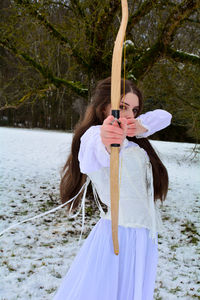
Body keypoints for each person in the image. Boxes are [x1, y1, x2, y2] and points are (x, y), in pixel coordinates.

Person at [53, 77, 172, 300]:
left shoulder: (134, 137)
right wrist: (107, 139)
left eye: (134, 110)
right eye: (122, 107)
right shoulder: (94, 136)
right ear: (104, 106)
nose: (129, 115)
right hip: (118, 237)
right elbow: (93, 151)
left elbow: (165, 117)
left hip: (143, 238)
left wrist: (139, 126)